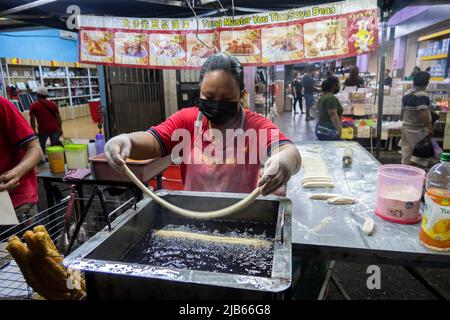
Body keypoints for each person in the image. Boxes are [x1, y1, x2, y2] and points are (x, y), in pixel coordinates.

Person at [105, 53, 301, 196]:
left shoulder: (253, 125)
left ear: (241, 95)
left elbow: (288, 150)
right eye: (209, 96)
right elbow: (155, 141)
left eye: (226, 98)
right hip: (195, 216)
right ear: (200, 91)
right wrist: (126, 141)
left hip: (244, 217)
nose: (217, 103)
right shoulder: (187, 121)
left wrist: (284, 162)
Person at [0, 96, 43, 223]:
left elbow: (35, 148)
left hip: (15, 202)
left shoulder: (2, 105)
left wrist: (16, 173)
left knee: (26, 241)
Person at [400, 71, 434, 166]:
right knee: (420, 155)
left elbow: (402, 110)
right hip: (417, 129)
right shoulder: (421, 95)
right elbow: (423, 112)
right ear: (426, 83)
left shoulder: (407, 94)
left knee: (407, 153)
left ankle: (403, 171)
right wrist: (429, 127)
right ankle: (406, 170)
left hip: (406, 127)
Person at [29, 86, 63, 154]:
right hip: (54, 128)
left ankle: (42, 160)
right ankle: (55, 159)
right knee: (55, 146)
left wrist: (33, 130)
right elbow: (58, 118)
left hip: (43, 130)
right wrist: (60, 128)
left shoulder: (33, 106)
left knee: (41, 146)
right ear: (46, 95)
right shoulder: (53, 104)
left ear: (37, 95)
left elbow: (32, 120)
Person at [315, 76, 343, 141]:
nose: (339, 86)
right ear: (334, 86)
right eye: (338, 84)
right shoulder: (331, 98)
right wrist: (339, 130)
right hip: (329, 130)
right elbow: (333, 114)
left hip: (321, 127)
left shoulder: (323, 97)